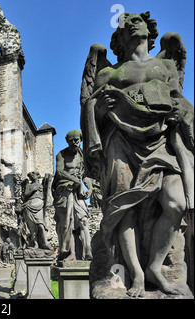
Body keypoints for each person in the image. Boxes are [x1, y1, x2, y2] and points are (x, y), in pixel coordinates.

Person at [81, 12, 193, 297]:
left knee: (175, 202)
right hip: (121, 141)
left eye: (137, 20)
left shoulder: (166, 64)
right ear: (118, 39)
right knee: (123, 208)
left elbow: (180, 103)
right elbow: (90, 112)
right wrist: (101, 110)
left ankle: (156, 266)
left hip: (160, 143)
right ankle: (138, 274)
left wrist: (182, 111)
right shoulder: (109, 73)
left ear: (149, 31)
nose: (131, 23)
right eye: (124, 23)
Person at [52, 129, 93, 262]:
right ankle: (71, 253)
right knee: (68, 223)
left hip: (78, 193)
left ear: (81, 140)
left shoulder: (83, 156)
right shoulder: (61, 155)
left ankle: (88, 252)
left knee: (83, 220)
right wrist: (76, 181)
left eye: (77, 140)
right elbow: (59, 172)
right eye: (71, 141)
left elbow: (85, 175)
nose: (74, 143)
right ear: (67, 141)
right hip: (64, 191)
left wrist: (90, 188)